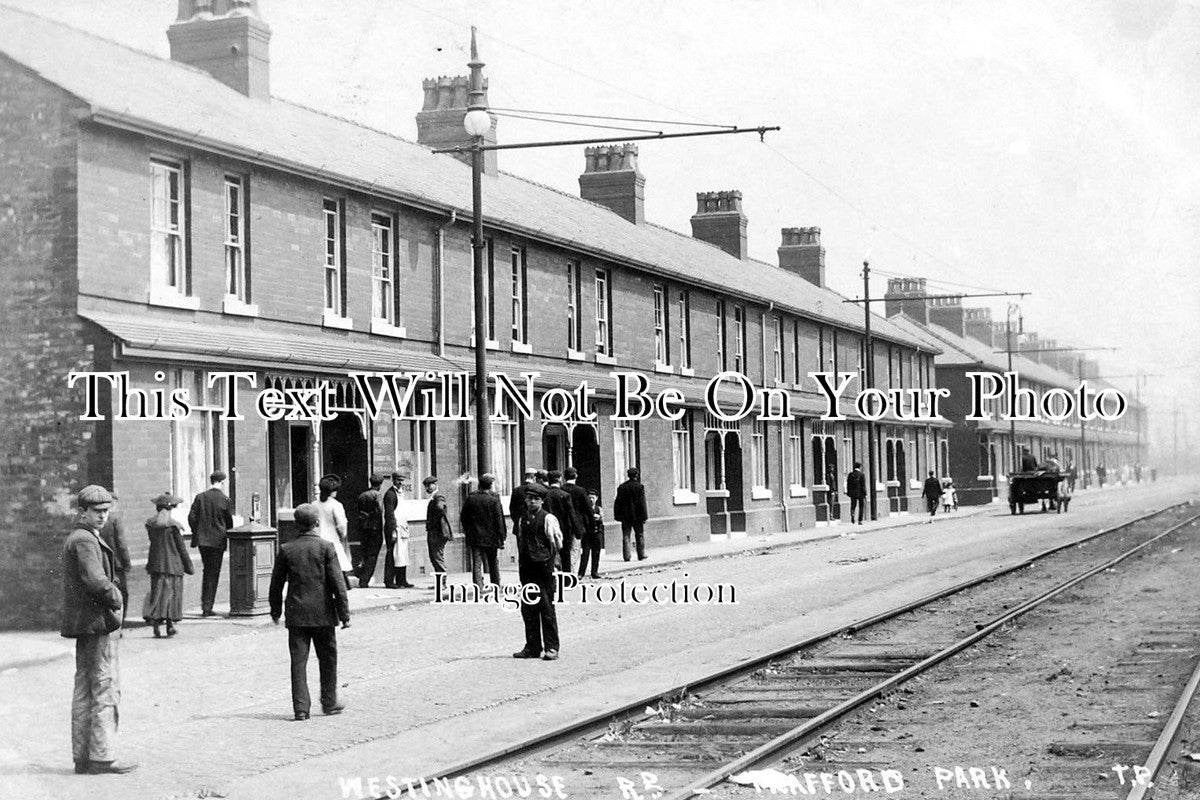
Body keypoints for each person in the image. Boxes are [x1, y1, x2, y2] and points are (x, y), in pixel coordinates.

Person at [61, 485, 136, 775]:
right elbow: (96, 580)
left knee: (85, 686)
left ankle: (83, 756)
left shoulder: (82, 536)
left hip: (85, 623)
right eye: (98, 512)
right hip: (96, 623)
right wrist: (116, 597)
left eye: (106, 511)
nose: (103, 517)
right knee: (103, 685)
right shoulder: (85, 540)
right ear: (84, 511)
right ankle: (102, 757)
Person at [269, 503, 350, 721]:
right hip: (323, 614)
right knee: (328, 659)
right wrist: (344, 615)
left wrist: (275, 610)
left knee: (298, 663)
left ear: (297, 525)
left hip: (296, 615)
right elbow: (338, 584)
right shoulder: (326, 548)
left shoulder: (286, 549)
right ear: (317, 523)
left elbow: (276, 584)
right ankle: (329, 701)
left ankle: (301, 709)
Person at [513, 484, 562, 661]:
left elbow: (557, 543)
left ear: (542, 501)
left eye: (536, 499)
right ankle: (532, 647)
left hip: (544, 568)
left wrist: (553, 564)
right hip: (527, 568)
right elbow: (520, 540)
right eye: (529, 498)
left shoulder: (548, 518)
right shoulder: (521, 519)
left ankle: (551, 647)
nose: (532, 501)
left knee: (547, 608)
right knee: (528, 608)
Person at [142, 492, 193, 638]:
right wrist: (188, 566)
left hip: (155, 564)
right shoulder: (173, 526)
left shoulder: (151, 525)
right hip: (173, 565)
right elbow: (181, 549)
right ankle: (170, 626)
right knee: (171, 596)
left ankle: (156, 624)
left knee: (157, 594)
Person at [187, 470, 234, 617]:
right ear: (222, 482)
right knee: (213, 573)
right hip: (218, 542)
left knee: (207, 571)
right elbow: (229, 522)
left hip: (202, 541)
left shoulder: (200, 497)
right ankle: (207, 607)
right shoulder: (225, 500)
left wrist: (197, 531)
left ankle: (206, 605)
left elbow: (191, 517)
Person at [461, 473, 506, 587]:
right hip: (491, 537)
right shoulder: (493, 500)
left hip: (475, 536)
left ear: (479, 485)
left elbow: (463, 517)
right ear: (490, 486)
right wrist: (502, 537)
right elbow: (499, 520)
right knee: (493, 562)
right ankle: (495, 584)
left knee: (477, 563)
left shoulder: (471, 498)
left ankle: (478, 586)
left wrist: (468, 531)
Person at [315, 474, 353, 590]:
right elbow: (342, 524)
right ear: (332, 491)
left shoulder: (314, 504)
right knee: (338, 563)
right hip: (333, 538)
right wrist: (343, 535)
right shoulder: (336, 505)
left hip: (317, 537)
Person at [98, 496, 132, 625]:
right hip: (115, 565)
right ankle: (118, 624)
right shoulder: (115, 520)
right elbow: (121, 544)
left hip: (100, 563)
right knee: (121, 594)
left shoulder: (93, 520)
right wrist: (127, 563)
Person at [545, 470, 581, 574]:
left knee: (550, 554)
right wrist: (577, 530)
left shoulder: (545, 494)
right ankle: (567, 579)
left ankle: (552, 577)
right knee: (565, 555)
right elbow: (571, 513)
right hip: (564, 529)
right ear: (559, 479)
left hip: (549, 528)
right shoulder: (565, 495)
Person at [382, 472, 413, 588]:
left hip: (402, 528)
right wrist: (393, 531)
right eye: (398, 480)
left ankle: (402, 580)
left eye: (402, 480)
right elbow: (389, 514)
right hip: (394, 529)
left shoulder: (401, 494)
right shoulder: (390, 494)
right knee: (392, 555)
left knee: (402, 555)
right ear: (393, 480)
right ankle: (389, 581)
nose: (400, 482)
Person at [354, 475, 385, 588]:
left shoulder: (362, 495)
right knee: (372, 555)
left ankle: (360, 572)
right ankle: (364, 579)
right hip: (375, 529)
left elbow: (357, 511)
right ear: (380, 485)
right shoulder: (377, 495)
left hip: (363, 528)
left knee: (365, 553)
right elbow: (380, 510)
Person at [613, 467, 649, 561]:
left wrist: (617, 516)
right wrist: (644, 516)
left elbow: (617, 502)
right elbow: (642, 503)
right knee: (639, 534)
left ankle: (627, 556)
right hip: (637, 516)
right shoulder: (639, 487)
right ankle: (641, 554)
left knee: (626, 535)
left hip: (625, 516)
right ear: (636, 475)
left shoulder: (622, 487)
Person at [423, 476, 453, 579]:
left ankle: (442, 582)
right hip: (434, 532)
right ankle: (439, 581)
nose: (427, 488)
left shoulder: (438, 496)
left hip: (438, 532)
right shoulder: (433, 497)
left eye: (429, 485)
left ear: (435, 485)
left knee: (437, 557)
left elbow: (440, 507)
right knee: (434, 557)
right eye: (426, 486)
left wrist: (436, 520)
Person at [577, 488, 604, 579]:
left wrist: (599, 517)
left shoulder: (599, 509)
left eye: (593, 497)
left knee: (596, 553)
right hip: (587, 533)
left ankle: (594, 572)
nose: (591, 499)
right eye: (589, 498)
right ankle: (581, 573)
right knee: (585, 553)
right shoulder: (584, 509)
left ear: (596, 498)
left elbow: (603, 519)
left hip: (597, 533)